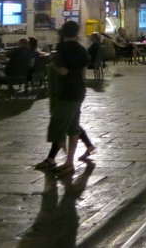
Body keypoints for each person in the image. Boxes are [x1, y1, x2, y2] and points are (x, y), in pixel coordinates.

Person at [43, 20, 90, 176]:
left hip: (66, 91)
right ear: (77, 33)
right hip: (79, 90)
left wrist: (52, 66)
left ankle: (60, 159)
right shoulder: (82, 49)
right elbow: (83, 72)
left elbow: (63, 71)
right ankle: (69, 161)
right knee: (73, 127)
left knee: (58, 127)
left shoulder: (63, 48)